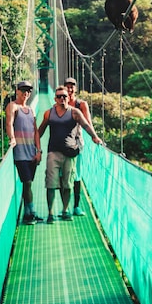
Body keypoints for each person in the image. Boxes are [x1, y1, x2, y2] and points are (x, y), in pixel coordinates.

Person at [38, 85, 102, 224]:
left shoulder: (75, 112)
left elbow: (86, 125)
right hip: (53, 153)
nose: (62, 99)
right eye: (59, 96)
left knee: (67, 184)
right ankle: (50, 213)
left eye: (64, 96)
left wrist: (94, 137)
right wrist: (36, 147)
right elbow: (40, 130)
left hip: (70, 153)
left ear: (68, 98)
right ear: (55, 99)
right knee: (50, 183)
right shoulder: (49, 113)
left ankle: (65, 210)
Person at [5, 80, 43, 225]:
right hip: (20, 152)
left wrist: (38, 151)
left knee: (29, 184)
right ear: (17, 91)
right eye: (23, 90)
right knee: (27, 183)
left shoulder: (31, 110)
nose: (26, 93)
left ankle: (29, 212)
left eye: (28, 91)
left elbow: (36, 132)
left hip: (31, 152)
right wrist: (12, 138)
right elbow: (9, 123)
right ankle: (30, 214)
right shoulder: (12, 106)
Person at [64, 77, 93, 216]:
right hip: (62, 144)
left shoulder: (81, 104)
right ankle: (65, 208)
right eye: (67, 86)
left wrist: (95, 137)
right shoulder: (59, 102)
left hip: (77, 144)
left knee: (77, 175)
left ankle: (76, 206)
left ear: (76, 88)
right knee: (63, 177)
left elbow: (88, 123)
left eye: (72, 86)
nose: (70, 89)